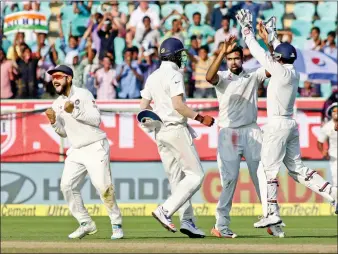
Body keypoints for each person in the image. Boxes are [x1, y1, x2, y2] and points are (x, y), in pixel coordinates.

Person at [236, 9, 338, 230]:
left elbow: (259, 54)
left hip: (277, 125)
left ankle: (272, 213)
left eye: (276, 56)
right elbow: (278, 54)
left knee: (266, 169)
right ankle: (333, 194)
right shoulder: (291, 71)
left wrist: (247, 31)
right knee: (297, 169)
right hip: (289, 125)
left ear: (279, 58)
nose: (274, 57)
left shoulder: (280, 71)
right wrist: (271, 37)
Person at [205, 36, 284, 238]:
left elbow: (273, 67)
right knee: (229, 179)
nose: (233, 62)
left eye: (237, 58)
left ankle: (271, 219)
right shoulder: (222, 77)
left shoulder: (253, 75)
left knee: (263, 176)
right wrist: (222, 51)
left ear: (242, 59)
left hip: (251, 131)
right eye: (230, 59)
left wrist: (269, 44)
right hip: (228, 132)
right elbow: (208, 77)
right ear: (226, 60)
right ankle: (220, 225)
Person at [139, 37, 215, 237]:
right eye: (181, 53)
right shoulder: (174, 74)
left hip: (161, 133)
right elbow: (178, 106)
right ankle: (165, 210)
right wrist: (200, 117)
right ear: (173, 55)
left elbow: (143, 109)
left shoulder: (153, 76)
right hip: (175, 130)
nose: (183, 57)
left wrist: (154, 123)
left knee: (177, 179)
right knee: (196, 175)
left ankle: (188, 221)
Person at [44, 64, 123, 240]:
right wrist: (54, 123)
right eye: (53, 77)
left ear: (69, 78)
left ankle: (116, 224)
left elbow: (96, 120)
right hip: (77, 150)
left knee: (103, 188)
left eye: (58, 76)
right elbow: (64, 132)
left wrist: (75, 111)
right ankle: (85, 222)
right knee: (67, 186)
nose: (54, 80)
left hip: (95, 146)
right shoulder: (56, 104)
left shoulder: (83, 94)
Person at [317, 103, 338, 187]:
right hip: (334, 156)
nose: (336, 112)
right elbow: (320, 142)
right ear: (331, 113)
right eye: (334, 111)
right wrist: (322, 151)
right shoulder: (327, 127)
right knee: (336, 179)